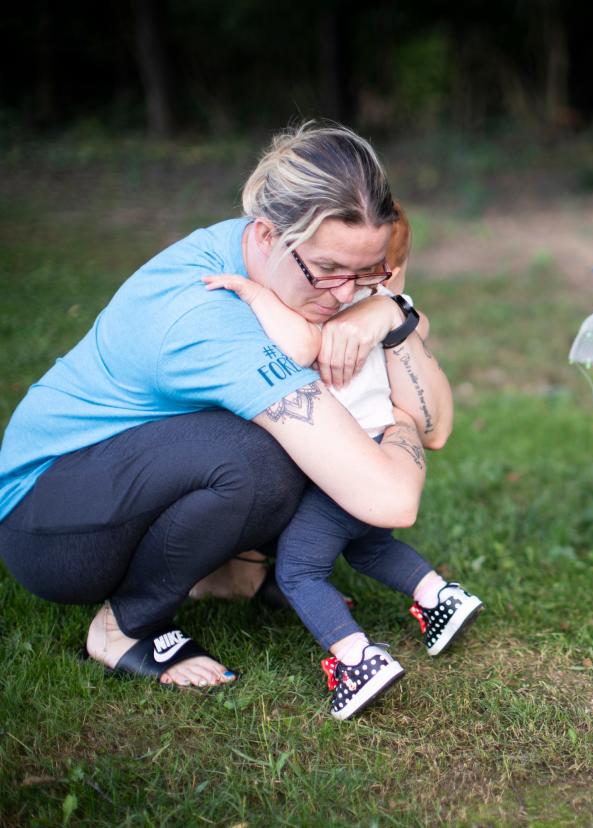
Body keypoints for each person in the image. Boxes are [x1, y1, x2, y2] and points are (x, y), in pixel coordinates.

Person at [0, 123, 442, 692]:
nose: (345, 293)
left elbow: (440, 420)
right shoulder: (210, 320)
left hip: (133, 469)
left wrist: (386, 312)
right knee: (264, 458)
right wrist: (398, 422)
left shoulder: (286, 270)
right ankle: (125, 627)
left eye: (368, 272)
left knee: (305, 433)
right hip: (52, 524)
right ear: (264, 235)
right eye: (330, 270)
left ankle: (241, 573)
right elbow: (391, 499)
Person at [203, 200, 482, 720]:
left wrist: (255, 293)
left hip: (351, 459)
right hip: (380, 446)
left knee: (301, 570)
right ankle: (440, 596)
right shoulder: (391, 305)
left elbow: (301, 344)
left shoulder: (339, 310)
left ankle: (357, 658)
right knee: (370, 548)